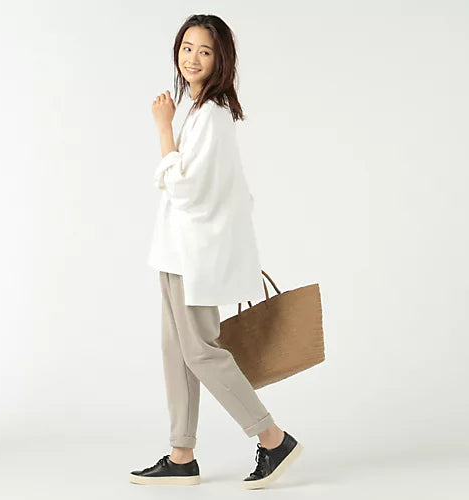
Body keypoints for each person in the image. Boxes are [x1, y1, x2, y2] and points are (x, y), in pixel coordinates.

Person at [130, 14, 302, 489]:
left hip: (194, 256)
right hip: (175, 253)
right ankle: (181, 455)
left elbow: (186, 191)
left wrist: (162, 129)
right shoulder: (199, 109)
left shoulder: (212, 116)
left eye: (204, 51)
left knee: (201, 352)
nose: (192, 58)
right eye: (187, 47)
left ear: (221, 59)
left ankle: (273, 439)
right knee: (176, 352)